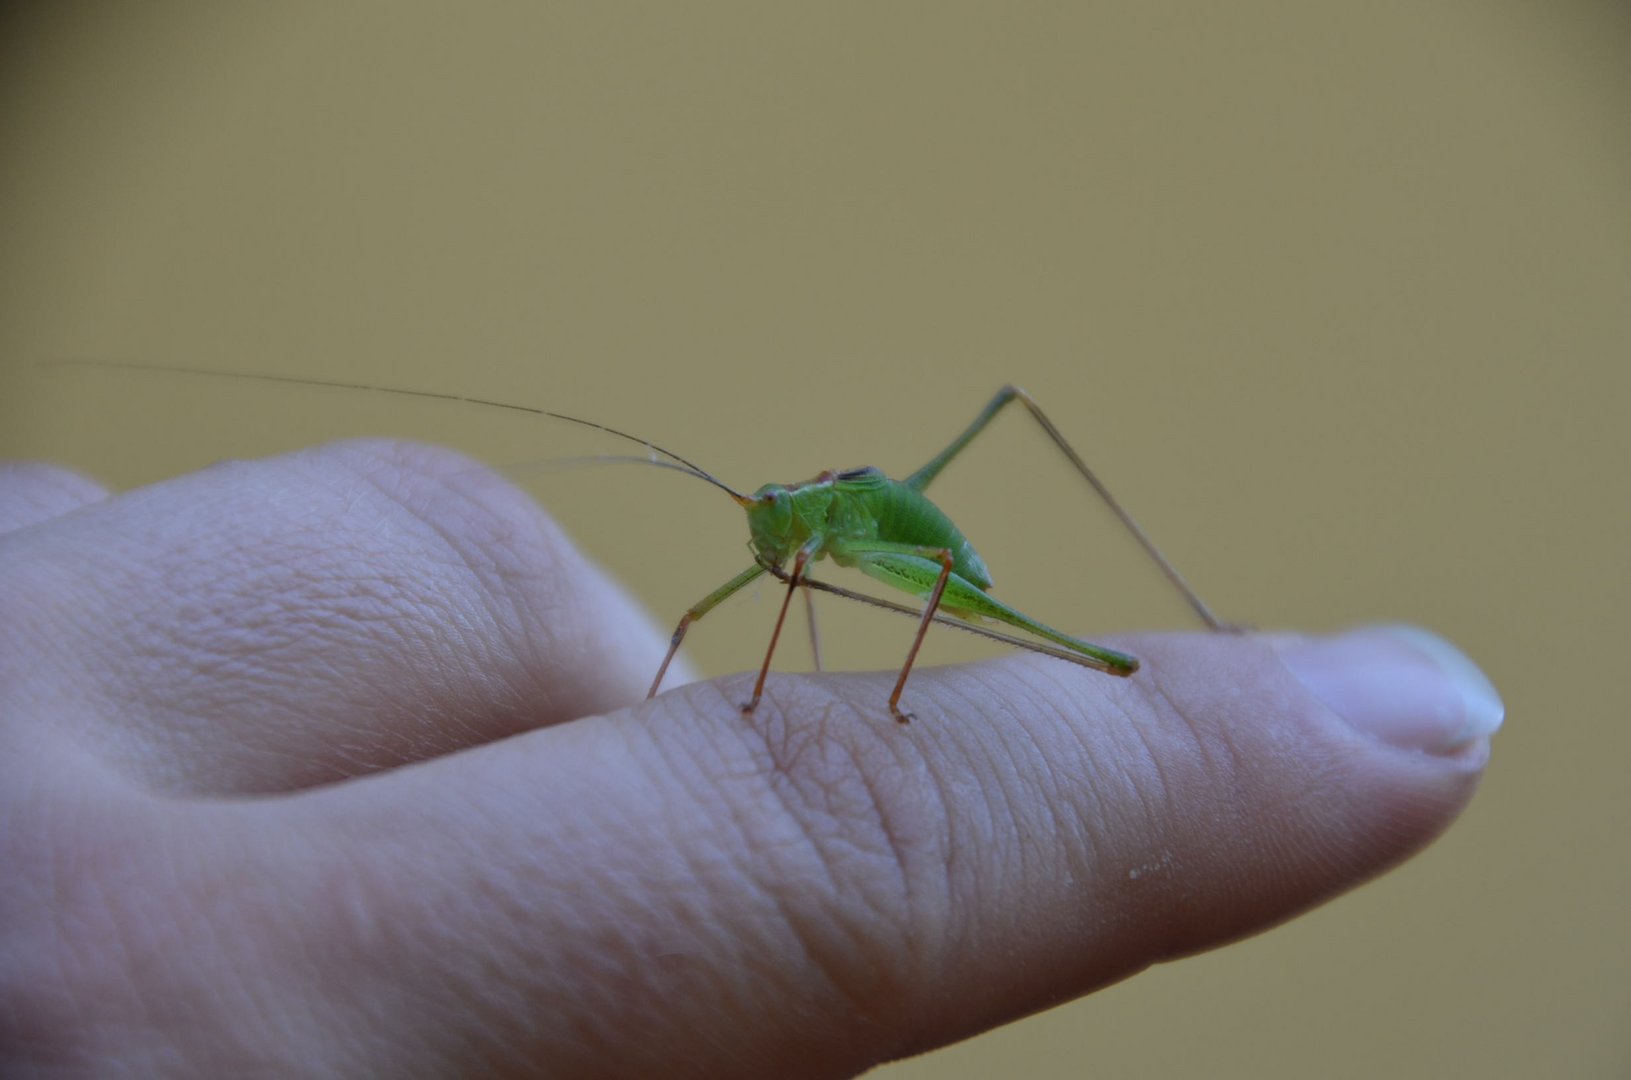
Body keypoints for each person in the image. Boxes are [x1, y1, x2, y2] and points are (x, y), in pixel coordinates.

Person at [0, 440, 1502, 1075]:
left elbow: (866, 572)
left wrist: (883, 712)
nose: (770, 539)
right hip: (875, 540)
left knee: (1082, 655)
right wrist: (666, 726)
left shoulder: (844, 527)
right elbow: (758, 594)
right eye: (771, 522)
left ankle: (1187, 627)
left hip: (934, 561)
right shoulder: (783, 534)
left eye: (777, 522)